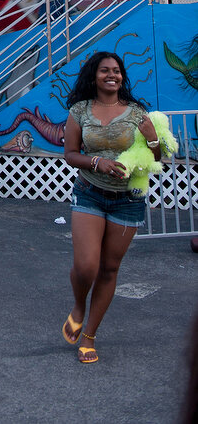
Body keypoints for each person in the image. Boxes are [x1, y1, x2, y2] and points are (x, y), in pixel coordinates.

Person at [62, 51, 161, 364]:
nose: (111, 75)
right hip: (90, 192)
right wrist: (98, 162)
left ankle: (89, 334)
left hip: (128, 200)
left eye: (116, 71)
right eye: (104, 70)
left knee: (109, 269)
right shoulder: (80, 110)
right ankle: (79, 305)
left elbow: (156, 160)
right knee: (87, 266)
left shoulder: (135, 112)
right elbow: (70, 154)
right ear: (94, 76)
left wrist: (154, 140)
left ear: (122, 77)